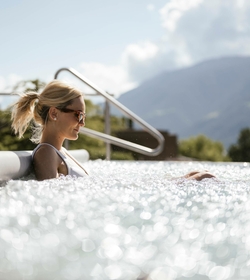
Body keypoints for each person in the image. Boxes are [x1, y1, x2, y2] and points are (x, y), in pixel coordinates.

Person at [11, 80, 215, 181]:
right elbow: (54, 205)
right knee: (204, 179)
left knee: (197, 175)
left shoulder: (61, 152)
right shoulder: (47, 152)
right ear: (54, 113)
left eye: (84, 116)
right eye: (78, 115)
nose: (82, 123)